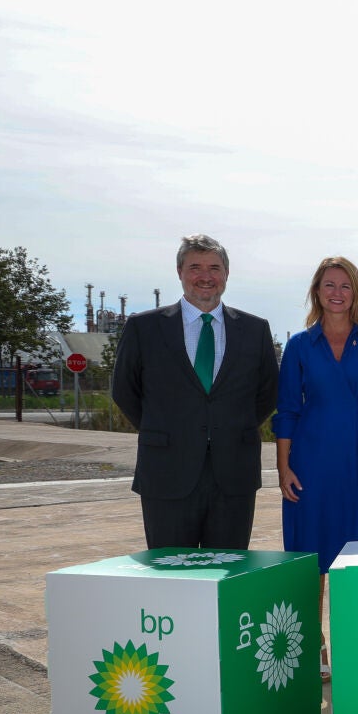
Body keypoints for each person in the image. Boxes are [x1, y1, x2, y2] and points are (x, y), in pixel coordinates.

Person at [274, 257, 358, 677]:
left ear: (356, 292)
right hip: (311, 458)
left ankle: (352, 642)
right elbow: (287, 409)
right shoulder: (299, 345)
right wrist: (283, 466)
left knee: (354, 551)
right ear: (317, 291)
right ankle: (313, 642)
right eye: (329, 285)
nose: (337, 293)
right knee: (311, 553)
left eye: (345, 286)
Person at [113, 234, 278, 549]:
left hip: (234, 474)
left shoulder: (255, 330)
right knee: (171, 572)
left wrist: (228, 426)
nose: (206, 276)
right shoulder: (144, 328)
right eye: (195, 268)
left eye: (214, 268)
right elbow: (124, 390)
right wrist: (165, 428)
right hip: (167, 471)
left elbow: (267, 392)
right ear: (179, 272)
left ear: (226, 274)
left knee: (229, 571)